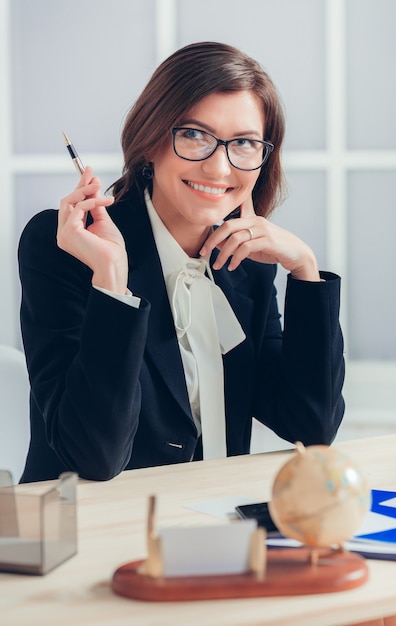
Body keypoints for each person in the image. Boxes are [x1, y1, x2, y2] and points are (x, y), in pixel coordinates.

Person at [18, 41, 345, 483]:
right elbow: (92, 456)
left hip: (214, 527)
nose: (218, 168)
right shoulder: (65, 246)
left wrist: (305, 270)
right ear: (149, 141)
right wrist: (112, 283)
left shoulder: (247, 261)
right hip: (87, 530)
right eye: (194, 134)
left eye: (244, 143)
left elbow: (310, 427)